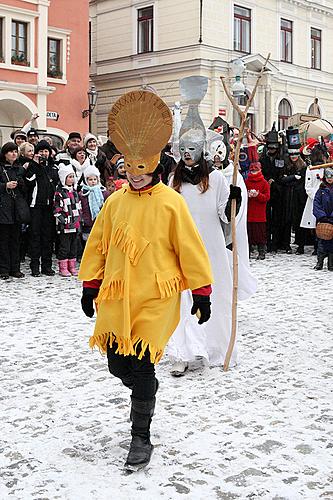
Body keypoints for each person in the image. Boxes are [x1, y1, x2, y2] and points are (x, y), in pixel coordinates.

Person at [79, 90, 213, 471]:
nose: (135, 180)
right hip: (117, 295)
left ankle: (141, 436)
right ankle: (145, 390)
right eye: (129, 173)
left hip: (156, 295)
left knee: (140, 364)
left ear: (153, 169)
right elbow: (99, 245)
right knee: (118, 364)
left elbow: (190, 248)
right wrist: (91, 285)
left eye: (142, 173)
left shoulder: (171, 202)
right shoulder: (115, 202)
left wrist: (201, 293)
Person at [168, 76, 242, 376]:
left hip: (210, 247)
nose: (188, 153)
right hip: (181, 248)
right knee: (180, 299)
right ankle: (181, 352)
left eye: (193, 148)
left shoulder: (218, 180)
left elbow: (226, 218)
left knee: (216, 297)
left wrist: (233, 201)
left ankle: (215, 349)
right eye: (183, 148)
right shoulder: (172, 181)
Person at [25, 140, 59, 276]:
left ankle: (47, 266)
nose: (44, 153)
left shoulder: (53, 168)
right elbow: (29, 180)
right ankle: (34, 266)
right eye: (41, 151)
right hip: (36, 207)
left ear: (50, 153)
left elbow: (56, 183)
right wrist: (34, 164)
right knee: (35, 236)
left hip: (49, 207)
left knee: (48, 237)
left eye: (46, 151)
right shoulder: (32, 166)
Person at [0, 142, 26, 279]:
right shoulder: (1, 168)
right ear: (5, 154)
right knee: (3, 240)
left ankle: (15, 268)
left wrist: (21, 184)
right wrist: (5, 185)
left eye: (15, 151)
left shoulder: (20, 169)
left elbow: (26, 189)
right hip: (3, 208)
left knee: (16, 240)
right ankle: (3, 269)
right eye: (10, 151)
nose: (13, 154)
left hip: (16, 208)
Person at [53, 164, 82, 277]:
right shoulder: (60, 193)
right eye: (69, 177)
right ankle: (63, 267)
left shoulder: (74, 192)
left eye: (72, 176)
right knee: (64, 247)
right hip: (65, 226)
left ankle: (72, 266)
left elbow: (78, 207)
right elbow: (57, 210)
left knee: (73, 246)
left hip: (75, 224)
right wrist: (64, 220)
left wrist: (79, 219)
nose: (71, 179)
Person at [79, 164, 110, 248]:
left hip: (100, 221)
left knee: (99, 241)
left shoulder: (103, 192)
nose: (93, 181)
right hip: (87, 222)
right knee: (88, 243)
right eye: (90, 179)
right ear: (86, 180)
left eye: (95, 179)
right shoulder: (82, 194)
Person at [245, 162, 270, 259]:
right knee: (249, 234)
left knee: (260, 234)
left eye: (255, 170)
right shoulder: (246, 182)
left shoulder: (264, 183)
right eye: (252, 171)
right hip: (249, 213)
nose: (254, 172)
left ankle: (261, 252)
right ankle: (247, 251)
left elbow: (267, 197)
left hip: (259, 215)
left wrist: (258, 195)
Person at [313, 167, 333, 270]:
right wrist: (322, 216)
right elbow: (316, 204)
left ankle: (331, 264)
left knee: (332, 245)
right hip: (322, 220)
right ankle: (319, 262)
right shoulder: (320, 190)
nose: (330, 179)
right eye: (328, 177)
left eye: (332, 177)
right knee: (321, 243)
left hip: (332, 221)